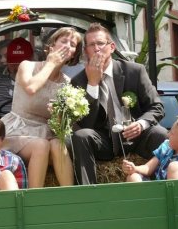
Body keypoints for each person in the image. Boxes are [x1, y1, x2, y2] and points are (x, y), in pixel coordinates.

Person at [70, 23, 167, 185]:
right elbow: (86, 124)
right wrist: (92, 85)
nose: (97, 49)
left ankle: (168, 186)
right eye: (91, 45)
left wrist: (141, 124)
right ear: (86, 51)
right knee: (81, 136)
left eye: (101, 43)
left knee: (160, 133)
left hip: (137, 136)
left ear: (112, 47)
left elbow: (157, 107)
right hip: (105, 140)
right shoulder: (79, 81)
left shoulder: (134, 71)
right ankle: (88, 195)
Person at [1, 27, 83, 188]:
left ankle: (71, 196)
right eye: (63, 41)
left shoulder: (67, 83)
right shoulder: (27, 66)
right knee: (42, 145)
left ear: (74, 54)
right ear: (52, 45)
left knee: (57, 144)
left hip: (46, 132)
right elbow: (31, 88)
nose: (67, 46)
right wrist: (51, 63)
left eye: (72, 44)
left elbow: (62, 126)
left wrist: (58, 115)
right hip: (18, 129)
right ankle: (34, 198)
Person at [122, 116, 178, 184]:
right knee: (133, 176)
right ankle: (145, 203)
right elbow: (148, 168)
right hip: (157, 189)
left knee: (175, 166)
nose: (168, 134)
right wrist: (134, 168)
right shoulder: (165, 148)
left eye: (172, 133)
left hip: (173, 194)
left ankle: (173, 200)